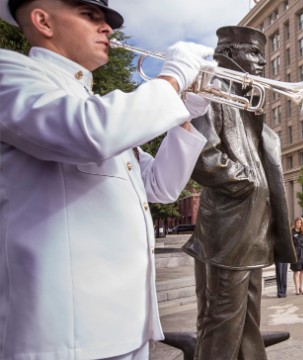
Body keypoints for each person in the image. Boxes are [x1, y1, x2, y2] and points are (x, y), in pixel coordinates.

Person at [0, 0, 211, 358]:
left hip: (126, 327)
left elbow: (160, 185)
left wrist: (185, 113)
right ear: (42, 21)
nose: (108, 28)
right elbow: (90, 133)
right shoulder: (10, 73)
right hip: (64, 336)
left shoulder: (93, 103)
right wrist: (172, 79)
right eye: (90, 15)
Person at [181, 26, 297, 360]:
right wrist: (248, 180)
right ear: (230, 52)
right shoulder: (211, 89)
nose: (263, 61)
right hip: (228, 236)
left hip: (252, 234)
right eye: (254, 53)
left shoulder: (246, 98)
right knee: (221, 325)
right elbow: (202, 158)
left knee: (248, 326)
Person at [290, 216, 303, 295]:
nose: (299, 224)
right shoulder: (292, 232)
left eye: (300, 223)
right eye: (298, 222)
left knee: (302, 271)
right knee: (296, 271)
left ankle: (301, 287)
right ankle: (296, 288)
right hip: (296, 254)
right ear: (295, 223)